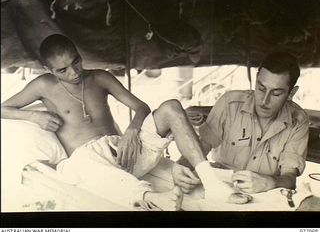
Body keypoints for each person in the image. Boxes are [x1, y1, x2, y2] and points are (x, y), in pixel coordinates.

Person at [2, 34, 226, 210]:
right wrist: (34, 116)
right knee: (75, 167)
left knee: (171, 106)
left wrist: (131, 130)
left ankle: (213, 182)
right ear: (48, 70)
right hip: (87, 158)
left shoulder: (100, 77)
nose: (74, 72)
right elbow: (3, 108)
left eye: (76, 61)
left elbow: (141, 107)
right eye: (63, 70)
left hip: (124, 150)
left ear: (79, 55)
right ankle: (150, 198)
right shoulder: (43, 85)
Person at [173, 51, 309, 195]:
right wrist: (182, 168)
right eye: (261, 88)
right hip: (218, 186)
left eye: (276, 93)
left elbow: (289, 180)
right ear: (256, 79)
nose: (264, 100)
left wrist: (271, 182)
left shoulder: (298, 121)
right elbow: (201, 146)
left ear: (291, 93)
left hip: (262, 195)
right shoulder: (229, 103)